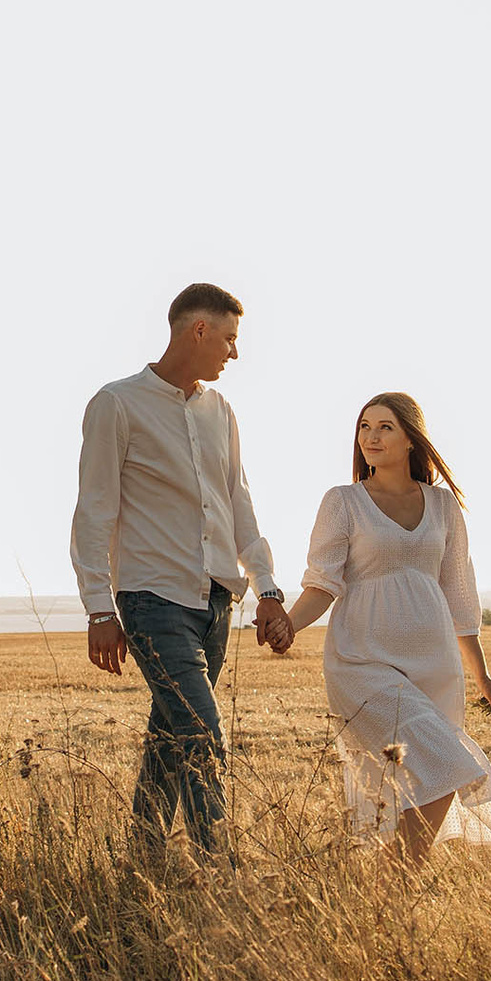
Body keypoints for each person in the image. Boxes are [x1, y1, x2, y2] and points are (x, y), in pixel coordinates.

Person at [70, 283, 293, 857]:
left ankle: (141, 865)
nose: (234, 353)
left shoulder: (223, 413)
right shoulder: (116, 404)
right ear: (199, 330)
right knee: (202, 734)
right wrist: (99, 607)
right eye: (229, 339)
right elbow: (94, 513)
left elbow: (238, 503)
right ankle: (222, 875)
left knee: (170, 739)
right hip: (152, 600)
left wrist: (267, 588)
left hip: (216, 602)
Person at [279, 393, 491, 861]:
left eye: (384, 427)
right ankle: (396, 881)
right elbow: (323, 583)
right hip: (362, 659)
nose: (370, 436)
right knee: (448, 762)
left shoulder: (443, 507)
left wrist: (482, 676)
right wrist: (289, 625)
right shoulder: (343, 501)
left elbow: (460, 597)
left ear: (411, 438)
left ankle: (393, 886)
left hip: (434, 662)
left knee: (434, 772)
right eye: (364, 426)